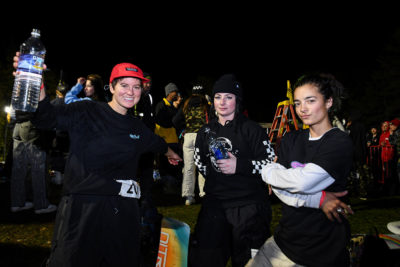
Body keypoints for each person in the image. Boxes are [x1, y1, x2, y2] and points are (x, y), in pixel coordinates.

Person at [13, 53, 182, 266]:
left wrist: (173, 155)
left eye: (137, 86)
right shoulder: (86, 110)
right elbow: (46, 117)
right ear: (111, 88)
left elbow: (158, 144)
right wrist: (35, 82)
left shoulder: (137, 128)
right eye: (124, 85)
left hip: (123, 213)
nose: (131, 92)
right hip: (82, 210)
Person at [248, 73, 354, 267]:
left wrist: (271, 172)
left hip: (321, 250)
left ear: (328, 102)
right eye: (297, 103)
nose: (302, 109)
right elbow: (278, 190)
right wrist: (319, 199)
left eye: (310, 101)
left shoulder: (339, 142)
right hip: (282, 241)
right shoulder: (291, 139)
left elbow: (300, 182)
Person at [189, 74, 276, 267]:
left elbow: (270, 163)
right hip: (215, 207)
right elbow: (201, 164)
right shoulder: (204, 132)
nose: (222, 102)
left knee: (248, 263)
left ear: (237, 100)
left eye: (229, 97)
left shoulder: (253, 129)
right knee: (205, 260)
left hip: (248, 207)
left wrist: (240, 166)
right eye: (218, 96)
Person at [10, 116, 57, 214]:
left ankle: (17, 203)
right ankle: (41, 205)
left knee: (18, 167)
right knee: (38, 168)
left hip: (17, 126)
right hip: (31, 126)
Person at [173, 84, 210, 205]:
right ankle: (204, 193)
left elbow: (175, 121)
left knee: (189, 168)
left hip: (188, 137)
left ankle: (188, 197)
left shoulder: (186, 104)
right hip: (202, 137)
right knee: (202, 166)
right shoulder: (205, 103)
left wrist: (184, 128)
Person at [154, 82, 182, 191]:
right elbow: (163, 121)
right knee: (164, 165)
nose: (177, 94)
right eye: (175, 91)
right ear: (170, 93)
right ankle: (165, 187)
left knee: (173, 166)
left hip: (172, 139)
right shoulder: (161, 105)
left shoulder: (172, 106)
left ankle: (172, 187)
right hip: (164, 139)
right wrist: (175, 109)